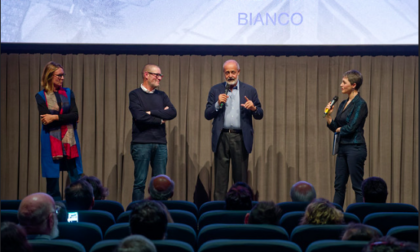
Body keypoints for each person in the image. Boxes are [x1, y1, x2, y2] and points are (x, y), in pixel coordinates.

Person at [205, 59, 264, 200]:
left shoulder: (250, 90)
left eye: (233, 72)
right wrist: (217, 104)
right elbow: (207, 114)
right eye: (227, 72)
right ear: (224, 74)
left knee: (240, 180)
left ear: (238, 72)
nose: (230, 75)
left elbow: (260, 114)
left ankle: (240, 211)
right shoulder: (215, 90)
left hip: (240, 138)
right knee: (220, 180)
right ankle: (218, 212)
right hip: (222, 137)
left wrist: (253, 108)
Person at [35, 61, 83, 201]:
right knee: (52, 181)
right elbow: (46, 121)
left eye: (63, 75)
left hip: (69, 138)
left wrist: (54, 117)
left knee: (75, 178)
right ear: (50, 76)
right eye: (59, 75)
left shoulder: (68, 92)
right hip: (51, 139)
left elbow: (75, 115)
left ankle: (77, 206)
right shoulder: (41, 96)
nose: (62, 78)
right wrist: (66, 118)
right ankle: (55, 210)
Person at [129, 64, 177, 201]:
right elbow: (139, 116)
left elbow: (172, 112)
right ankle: (137, 213)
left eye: (160, 75)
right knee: (139, 183)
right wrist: (160, 120)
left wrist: (151, 113)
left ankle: (161, 212)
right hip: (141, 143)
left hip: (160, 143)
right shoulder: (135, 94)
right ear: (146, 75)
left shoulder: (162, 95)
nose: (159, 78)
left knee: (161, 184)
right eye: (156, 75)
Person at [325, 70, 368, 207]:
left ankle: (361, 216)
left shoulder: (360, 104)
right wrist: (328, 116)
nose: (341, 85)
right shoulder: (343, 104)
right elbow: (336, 127)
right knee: (339, 185)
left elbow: (351, 127)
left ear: (354, 85)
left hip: (355, 147)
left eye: (344, 82)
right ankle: (336, 217)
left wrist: (339, 129)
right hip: (342, 147)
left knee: (357, 186)